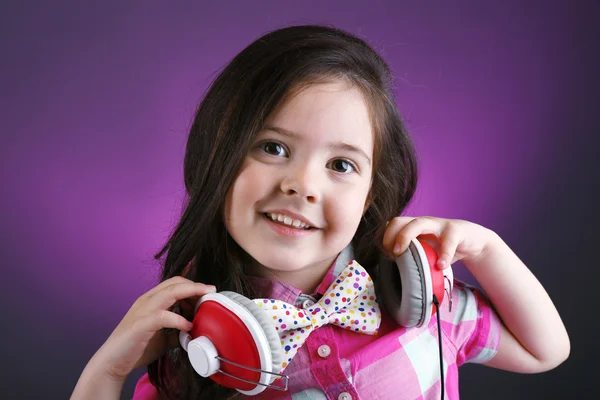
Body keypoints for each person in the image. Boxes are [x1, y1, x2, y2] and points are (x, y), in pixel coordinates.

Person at [70, 25, 570, 400]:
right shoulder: (193, 341)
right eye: (272, 148)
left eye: (340, 164)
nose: (302, 186)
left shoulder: (416, 298)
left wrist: (488, 250)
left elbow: (543, 350)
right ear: (216, 156)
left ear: (371, 193)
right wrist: (107, 373)